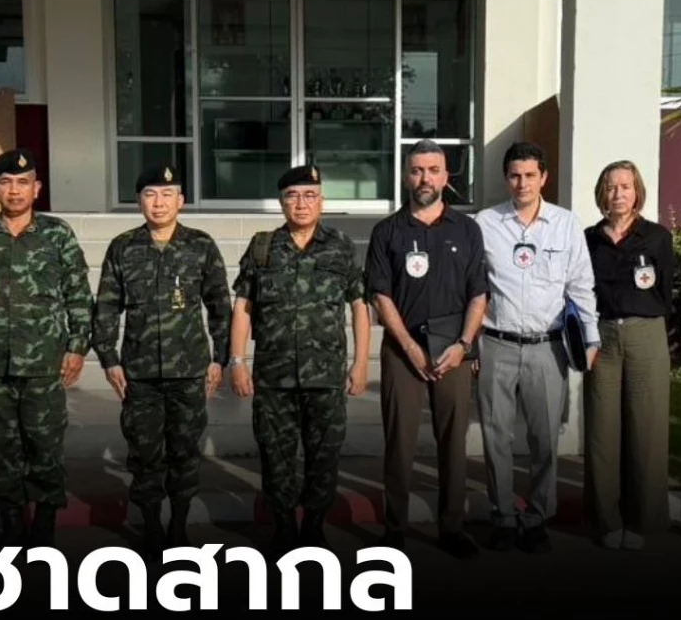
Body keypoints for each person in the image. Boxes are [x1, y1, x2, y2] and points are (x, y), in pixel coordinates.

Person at [0, 150, 92, 550]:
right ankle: (11, 525)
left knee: (45, 446)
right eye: (6, 182)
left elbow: (79, 294)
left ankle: (44, 525)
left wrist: (78, 346)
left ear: (37, 188)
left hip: (45, 363)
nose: (14, 190)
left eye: (23, 182)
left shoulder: (57, 234)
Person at [91, 163, 232, 556]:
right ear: (138, 201)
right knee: (144, 454)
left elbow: (220, 306)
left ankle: (179, 527)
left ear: (181, 200)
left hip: (189, 371)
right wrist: (108, 358)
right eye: (150, 194)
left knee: (185, 452)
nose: (159, 202)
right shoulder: (123, 247)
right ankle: (152, 527)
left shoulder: (201, 245)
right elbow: (106, 307)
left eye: (167, 194)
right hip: (139, 374)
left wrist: (220, 358)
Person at [228, 164, 370, 554]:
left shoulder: (341, 245)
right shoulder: (262, 247)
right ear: (281, 203)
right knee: (276, 459)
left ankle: (314, 528)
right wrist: (237, 361)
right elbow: (243, 306)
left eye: (310, 195)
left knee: (324, 458)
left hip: (325, 377)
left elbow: (359, 306)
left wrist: (360, 363)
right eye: (292, 196)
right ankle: (285, 528)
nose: (301, 203)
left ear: (321, 201)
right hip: (273, 379)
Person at [474, 141, 599, 554]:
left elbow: (580, 285)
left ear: (544, 177)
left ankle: (537, 517)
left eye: (530, 175)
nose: (522, 183)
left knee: (544, 439)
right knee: (496, 437)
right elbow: (473, 288)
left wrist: (591, 338)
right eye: (514, 175)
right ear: (505, 178)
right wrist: (470, 344)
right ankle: (503, 516)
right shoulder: (485, 223)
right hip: (497, 344)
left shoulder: (566, 224)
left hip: (548, 348)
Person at [365, 140, 487, 558]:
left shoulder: (467, 229)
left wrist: (464, 345)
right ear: (406, 176)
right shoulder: (387, 232)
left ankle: (452, 527)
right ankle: (394, 529)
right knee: (399, 443)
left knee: (452, 443)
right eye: (417, 170)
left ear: (446, 176)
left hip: (454, 350)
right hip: (404, 350)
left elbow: (479, 293)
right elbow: (380, 296)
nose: (425, 178)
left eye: (433, 170)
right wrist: (410, 349)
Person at [581, 160, 674, 551]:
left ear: (637, 192)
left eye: (625, 186)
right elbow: (579, 290)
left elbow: (665, 290)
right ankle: (605, 520)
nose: (617, 193)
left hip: (645, 334)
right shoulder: (588, 238)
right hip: (602, 336)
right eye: (610, 186)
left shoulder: (657, 237)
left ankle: (643, 521)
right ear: (601, 193)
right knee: (602, 431)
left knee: (647, 430)